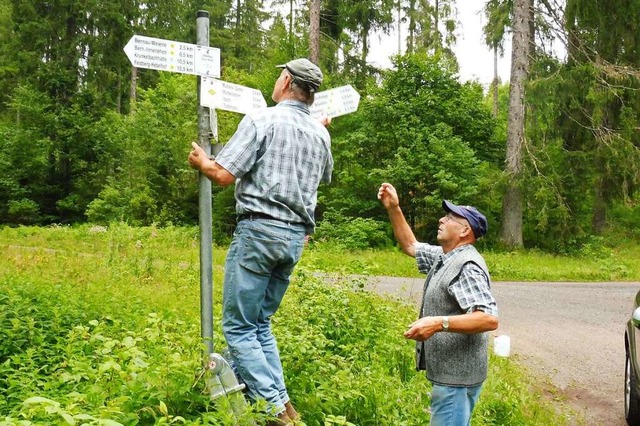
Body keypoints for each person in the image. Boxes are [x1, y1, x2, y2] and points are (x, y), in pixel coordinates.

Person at [188, 58, 333, 424]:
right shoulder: (321, 133)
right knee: (260, 324)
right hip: (294, 239)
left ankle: (273, 412)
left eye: (278, 75)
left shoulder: (261, 119)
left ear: (286, 82)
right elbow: (323, 178)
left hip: (259, 232)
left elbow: (223, 174)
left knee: (238, 327)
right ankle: (285, 407)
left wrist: (201, 161)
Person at [377, 183, 498, 426]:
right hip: (450, 377)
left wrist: (437, 323)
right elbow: (411, 246)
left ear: (465, 231)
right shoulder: (445, 256)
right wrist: (394, 208)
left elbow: (488, 318)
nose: (442, 220)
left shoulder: (467, 266)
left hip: (456, 381)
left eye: (450, 217)